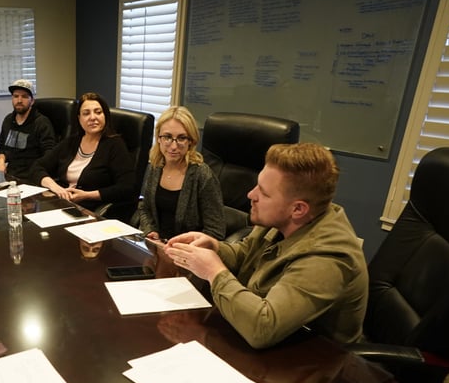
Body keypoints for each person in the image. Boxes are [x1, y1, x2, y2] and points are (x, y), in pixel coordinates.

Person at [163, 142, 367, 349]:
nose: (251, 195)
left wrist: (214, 271)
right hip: (271, 347)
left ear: (298, 209)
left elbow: (262, 328)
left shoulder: (327, 257)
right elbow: (246, 254)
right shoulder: (286, 219)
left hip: (315, 364)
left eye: (264, 193)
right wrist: (215, 248)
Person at [28, 92, 135, 212]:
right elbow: (37, 167)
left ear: (105, 116)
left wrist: (87, 195)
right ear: (79, 118)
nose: (93, 117)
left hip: (91, 211)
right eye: (86, 113)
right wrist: (56, 188)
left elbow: (127, 187)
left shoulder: (115, 145)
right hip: (61, 205)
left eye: (98, 112)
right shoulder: (72, 142)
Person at [136, 106, 224, 241]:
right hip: (157, 246)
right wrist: (150, 231)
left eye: (181, 138)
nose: (173, 146)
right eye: (167, 137)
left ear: (191, 141)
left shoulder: (202, 175)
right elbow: (145, 208)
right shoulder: (157, 165)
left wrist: (182, 247)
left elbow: (215, 231)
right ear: (158, 138)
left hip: (187, 252)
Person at [0, 79, 56, 184]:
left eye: (24, 96)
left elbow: (49, 155)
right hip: (9, 177)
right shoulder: (8, 120)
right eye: (15, 96)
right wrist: (0, 160)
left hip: (31, 179)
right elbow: (3, 147)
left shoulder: (41, 123)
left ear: (32, 101)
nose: (19, 100)